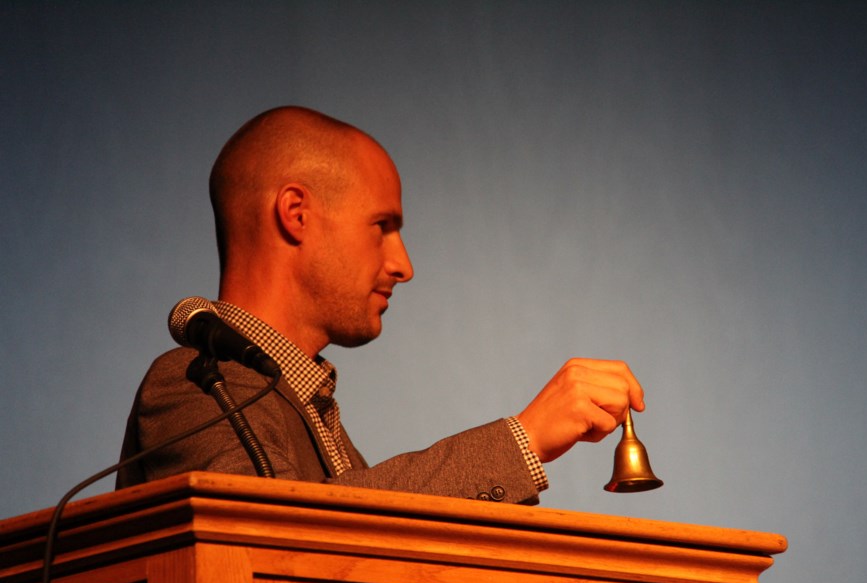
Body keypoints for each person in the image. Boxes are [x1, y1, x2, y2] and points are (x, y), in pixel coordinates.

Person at [117, 106, 644, 505]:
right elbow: (277, 543)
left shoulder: (301, 410)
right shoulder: (193, 384)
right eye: (382, 227)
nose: (403, 264)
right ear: (295, 214)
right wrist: (522, 440)